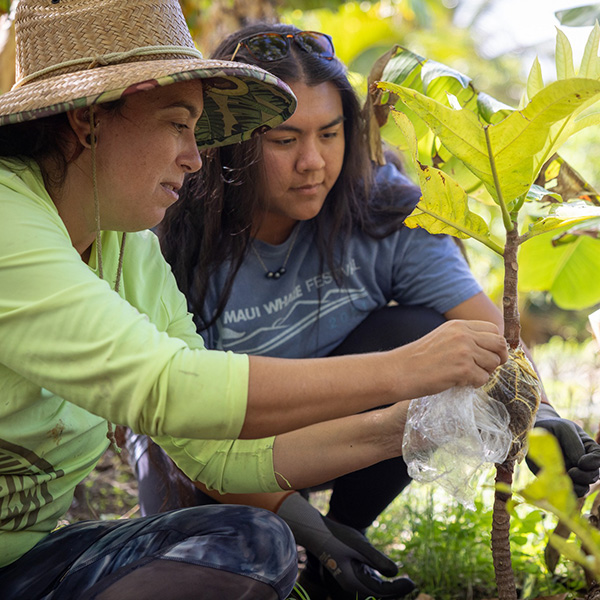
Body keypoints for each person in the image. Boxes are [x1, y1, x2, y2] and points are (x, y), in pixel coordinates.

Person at [0, 2, 512, 599]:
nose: (194, 159)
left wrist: (421, 423)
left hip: (23, 563)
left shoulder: (127, 246)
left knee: (252, 543)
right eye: (176, 124)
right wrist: (403, 370)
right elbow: (168, 390)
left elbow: (214, 455)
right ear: (89, 122)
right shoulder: (10, 216)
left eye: (198, 134)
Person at [131, 21, 600, 600]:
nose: (313, 162)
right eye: (284, 140)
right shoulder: (165, 237)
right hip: (202, 449)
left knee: (427, 336)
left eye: (330, 134)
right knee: (236, 553)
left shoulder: (381, 207)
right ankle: (308, 541)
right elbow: (189, 431)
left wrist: (543, 416)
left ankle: (352, 540)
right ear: (235, 139)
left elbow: (483, 331)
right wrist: (309, 531)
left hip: (336, 430)